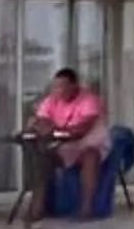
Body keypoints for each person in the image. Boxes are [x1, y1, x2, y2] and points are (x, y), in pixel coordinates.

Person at [31, 68, 108, 215]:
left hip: (88, 144)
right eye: (56, 86)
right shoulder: (52, 100)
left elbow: (83, 129)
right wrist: (44, 125)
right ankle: (37, 208)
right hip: (64, 146)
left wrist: (56, 129)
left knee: (90, 156)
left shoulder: (89, 100)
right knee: (42, 159)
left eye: (63, 86)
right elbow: (41, 119)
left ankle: (86, 208)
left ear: (74, 86)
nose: (59, 90)